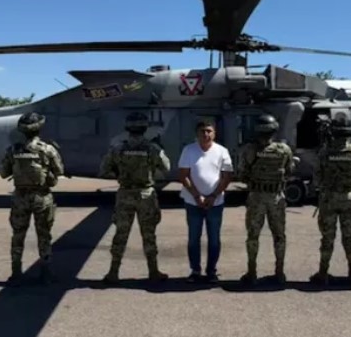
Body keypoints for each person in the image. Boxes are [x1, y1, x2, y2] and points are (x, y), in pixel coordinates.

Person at [99, 112, 171, 284]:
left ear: (127, 128)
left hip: (125, 194)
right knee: (149, 235)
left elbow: (104, 170)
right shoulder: (152, 148)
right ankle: (153, 271)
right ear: (145, 128)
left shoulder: (118, 148)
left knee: (120, 234)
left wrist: (120, 173)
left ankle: (113, 272)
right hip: (146, 195)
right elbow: (166, 167)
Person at [0, 111, 65, 286]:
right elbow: (59, 170)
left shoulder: (13, 150)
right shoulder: (47, 149)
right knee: (44, 235)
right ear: (40, 129)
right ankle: (46, 273)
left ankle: (16, 273)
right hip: (41, 197)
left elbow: (3, 173)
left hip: (20, 197)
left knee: (18, 235)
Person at [309, 115, 351, 287]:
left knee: (327, 238)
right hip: (349, 201)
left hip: (328, 200)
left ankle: (323, 274)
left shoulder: (324, 152)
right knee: (349, 238)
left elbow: (316, 178)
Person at [237, 114, 295, 284]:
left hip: (256, 197)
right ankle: (279, 273)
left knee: (253, 236)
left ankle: (252, 273)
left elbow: (241, 174)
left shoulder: (249, 150)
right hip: (276, 197)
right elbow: (290, 171)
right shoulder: (284, 150)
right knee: (279, 236)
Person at [178, 119, 234, 283]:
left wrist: (213, 196)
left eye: (209, 131)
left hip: (215, 203)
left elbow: (227, 176)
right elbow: (183, 175)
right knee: (193, 239)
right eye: (202, 131)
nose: (206, 134)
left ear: (214, 133)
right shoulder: (189, 150)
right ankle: (195, 271)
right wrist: (197, 196)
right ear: (197, 134)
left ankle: (211, 271)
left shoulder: (222, 151)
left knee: (214, 239)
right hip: (192, 202)